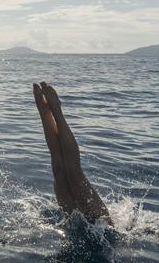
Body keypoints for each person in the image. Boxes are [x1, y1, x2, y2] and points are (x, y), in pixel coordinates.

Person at [32, 81, 112, 225]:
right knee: (60, 169)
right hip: (86, 225)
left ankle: (55, 109)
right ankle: (46, 112)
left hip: (100, 227)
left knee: (70, 170)